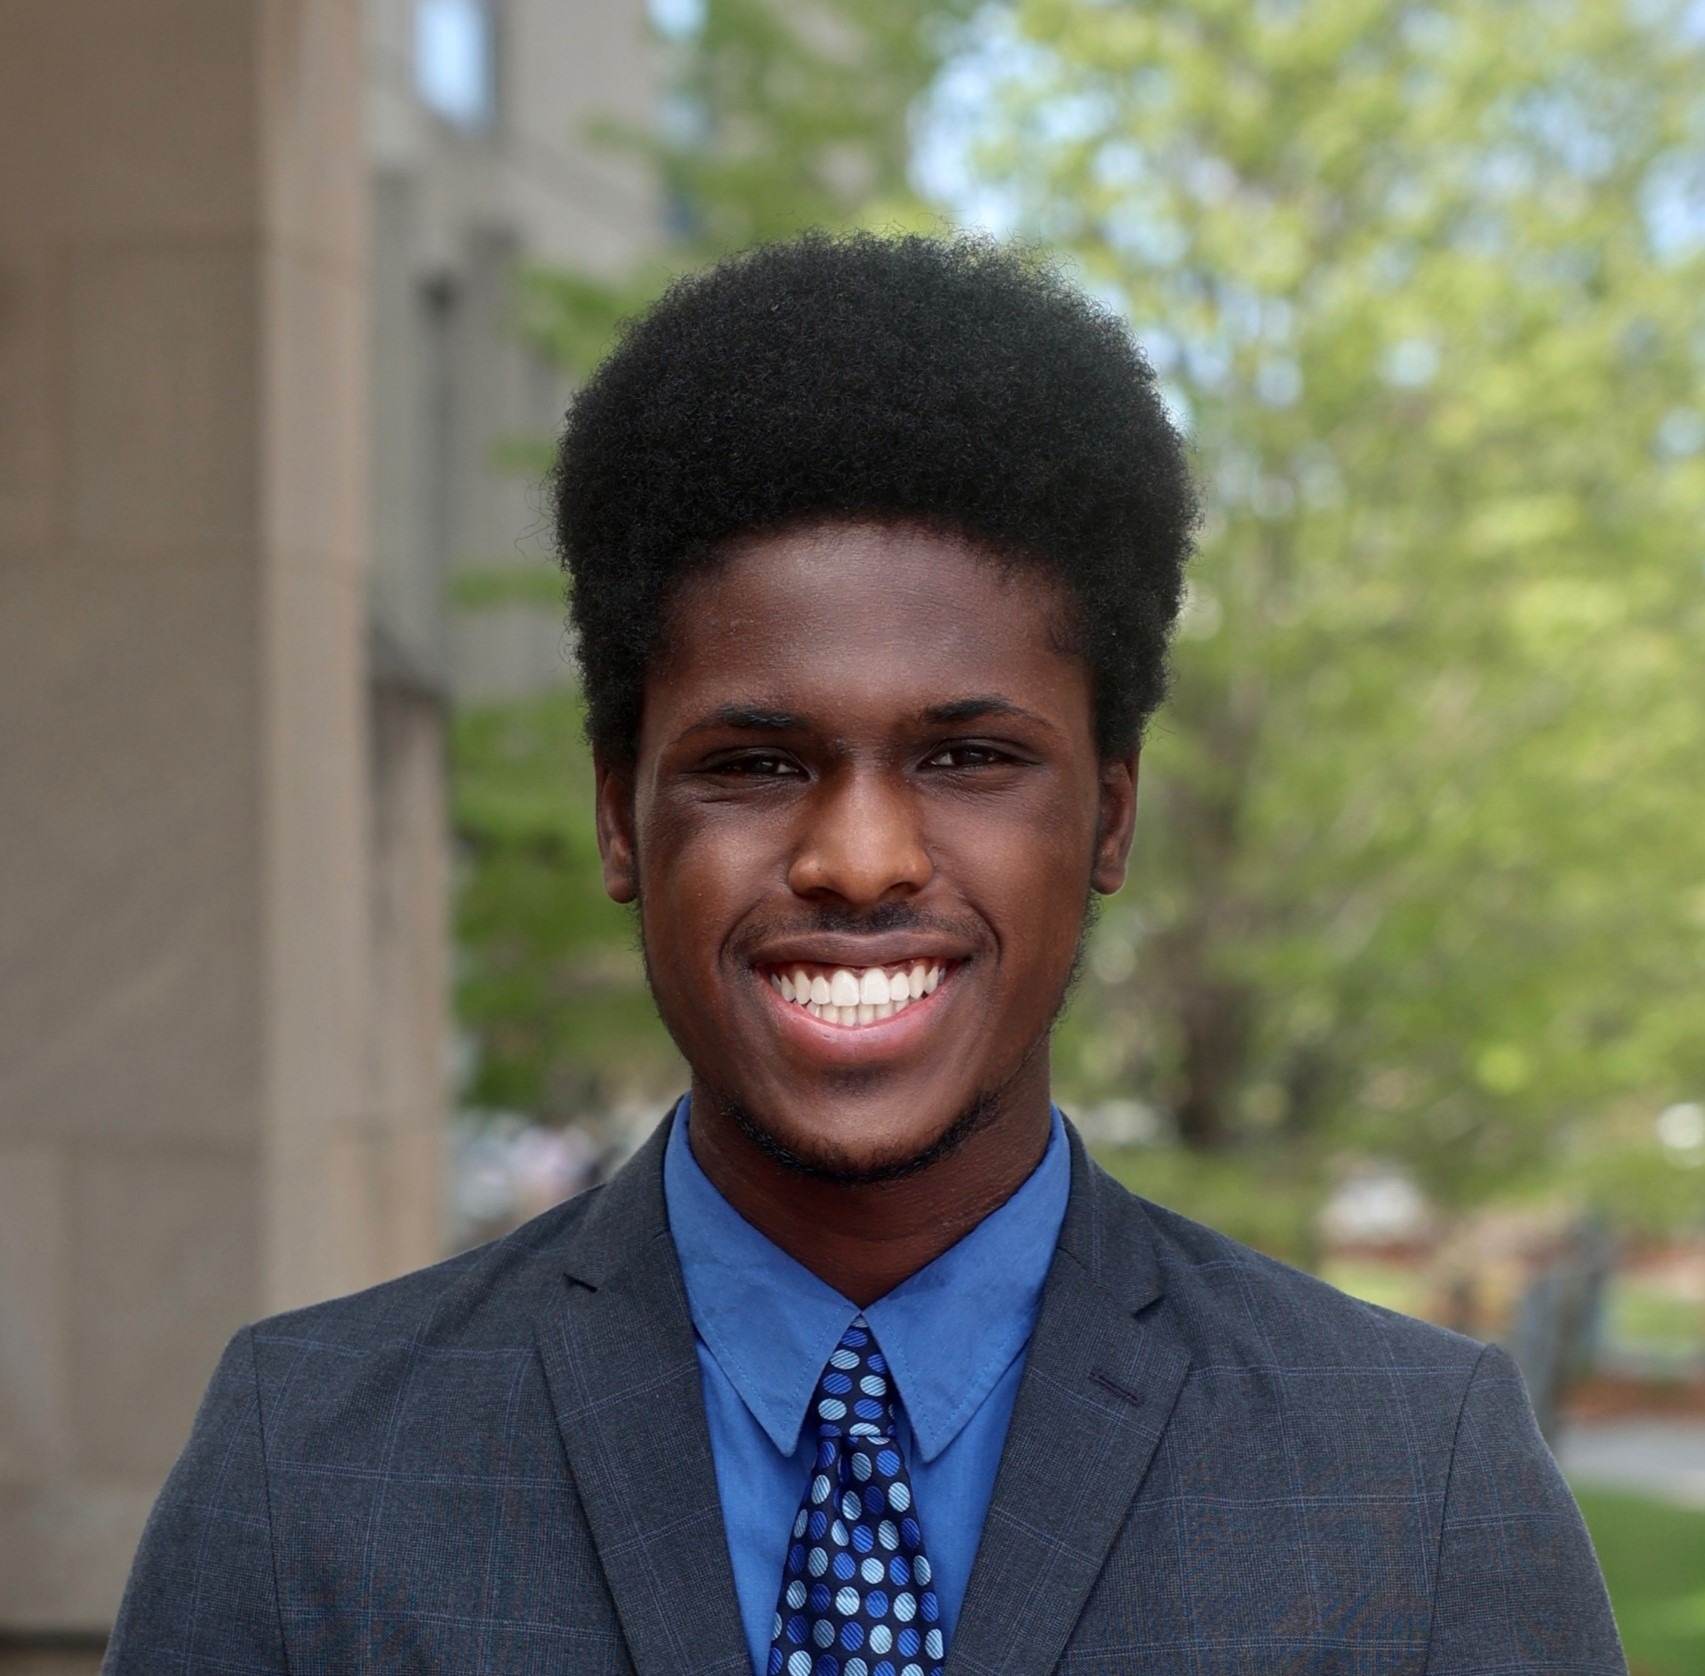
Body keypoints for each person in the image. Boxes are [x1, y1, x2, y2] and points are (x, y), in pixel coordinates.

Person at [105, 232, 1624, 1675]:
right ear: (620, 820)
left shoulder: (1414, 1476)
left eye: (967, 758)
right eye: (756, 764)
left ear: (1108, 818)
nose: (859, 858)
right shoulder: (308, 1463)